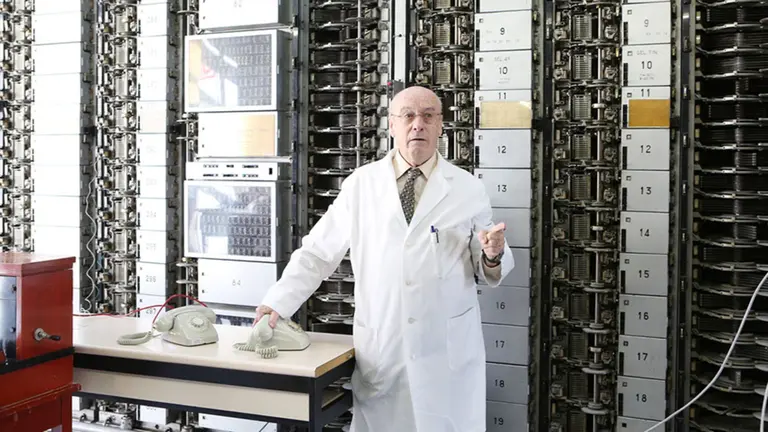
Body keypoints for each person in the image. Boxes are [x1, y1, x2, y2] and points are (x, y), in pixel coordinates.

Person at [255, 85, 514, 432]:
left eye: (427, 116)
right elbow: (318, 251)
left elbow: (485, 259)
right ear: (391, 125)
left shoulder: (468, 188)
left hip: (446, 352)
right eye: (407, 116)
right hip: (383, 348)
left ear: (441, 126)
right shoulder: (362, 184)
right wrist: (277, 304)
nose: (417, 125)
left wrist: (493, 254)